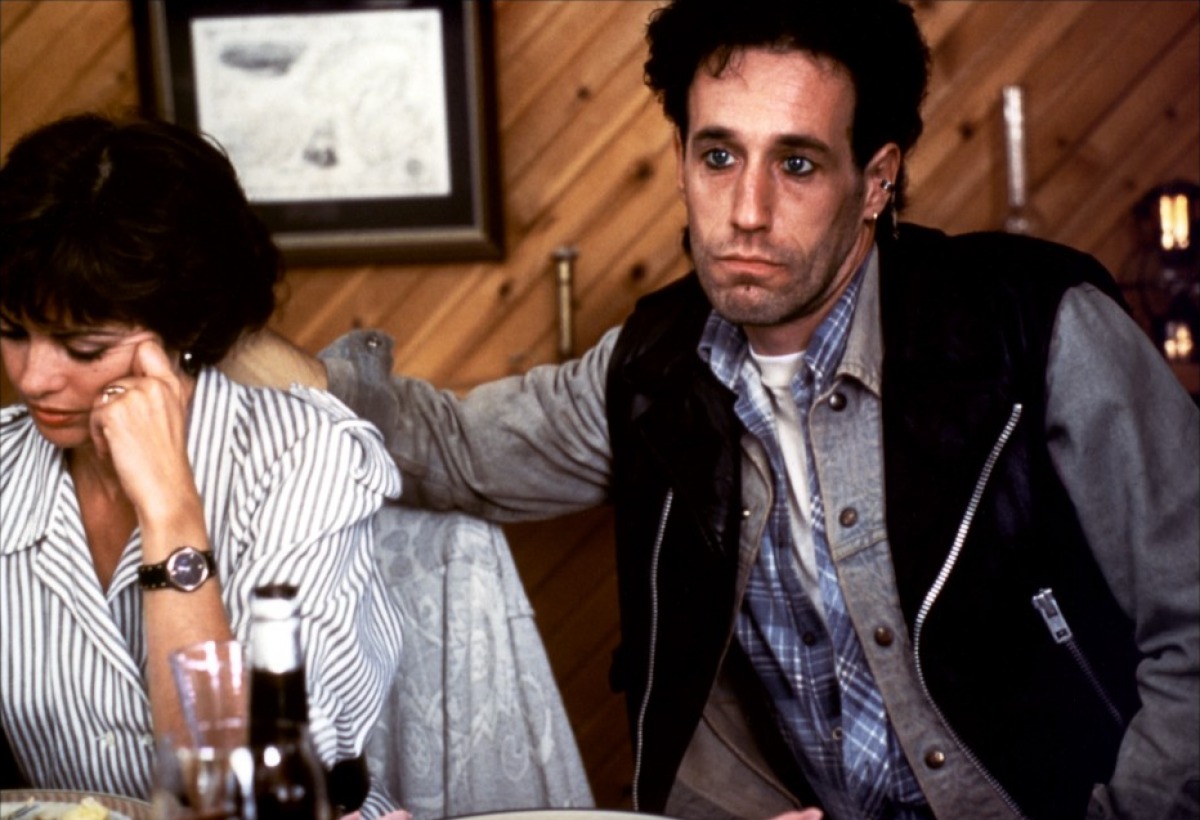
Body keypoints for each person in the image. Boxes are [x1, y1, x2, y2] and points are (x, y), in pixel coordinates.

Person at [223, 1, 1200, 818]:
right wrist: (207, 332)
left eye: (798, 164)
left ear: (877, 180)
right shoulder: (651, 371)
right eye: (719, 156)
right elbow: (451, 448)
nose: (746, 211)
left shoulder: (1036, 328)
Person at [0, 113, 406, 817]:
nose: (32, 378)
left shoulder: (307, 461)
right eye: (10, 332)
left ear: (183, 327)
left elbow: (242, 790)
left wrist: (170, 512)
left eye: (83, 347)